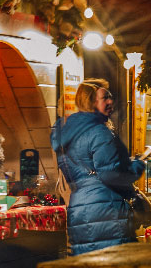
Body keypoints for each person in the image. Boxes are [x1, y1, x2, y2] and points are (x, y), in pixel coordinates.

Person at [51, 79, 145, 255]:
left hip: (79, 208)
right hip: (106, 211)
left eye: (110, 97)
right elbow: (110, 174)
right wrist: (137, 166)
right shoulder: (98, 131)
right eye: (105, 98)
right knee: (116, 262)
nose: (111, 102)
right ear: (90, 103)